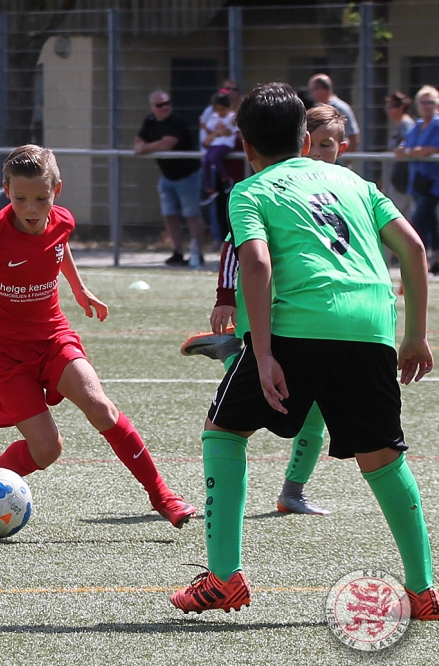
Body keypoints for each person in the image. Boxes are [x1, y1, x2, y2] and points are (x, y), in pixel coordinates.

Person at [170, 83, 439, 621]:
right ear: (306, 138)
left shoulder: (250, 190)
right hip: (371, 327)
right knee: (383, 457)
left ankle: (224, 578)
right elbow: (413, 247)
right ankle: (424, 590)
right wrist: (415, 335)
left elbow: (257, 264)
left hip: (298, 326)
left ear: (245, 144)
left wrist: (263, 353)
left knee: (224, 431)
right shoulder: (356, 182)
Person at [0, 144, 196, 529]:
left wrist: (79, 288)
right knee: (47, 449)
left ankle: (163, 496)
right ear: (7, 190)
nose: (31, 209)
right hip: (6, 354)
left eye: (41, 198)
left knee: (100, 408)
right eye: (20, 198)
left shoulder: (62, 220)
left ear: (57, 189)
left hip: (54, 337)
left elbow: (58, 246)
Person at [180, 105, 350, 517]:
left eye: (329, 145)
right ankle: (231, 352)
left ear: (342, 149)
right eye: (316, 144)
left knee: (315, 413)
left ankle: (293, 491)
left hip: (314, 317)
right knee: (265, 400)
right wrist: (224, 295)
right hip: (271, 312)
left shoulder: (343, 190)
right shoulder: (268, 188)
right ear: (301, 143)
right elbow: (234, 245)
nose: (321, 152)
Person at [134, 91, 206, 267]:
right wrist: (145, 146)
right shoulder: (149, 121)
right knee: (170, 215)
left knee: (192, 215)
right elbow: (138, 142)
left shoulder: (177, 121)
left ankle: (197, 254)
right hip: (167, 177)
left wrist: (146, 148)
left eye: (167, 103)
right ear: (152, 108)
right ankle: (177, 252)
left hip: (187, 176)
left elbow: (167, 144)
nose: (165, 107)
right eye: (160, 105)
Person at [395, 86, 439, 274]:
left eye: (431, 102)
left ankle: (422, 261)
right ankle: (433, 259)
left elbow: (430, 149)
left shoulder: (437, 124)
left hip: (434, 181)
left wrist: (413, 151)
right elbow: (404, 146)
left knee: (418, 220)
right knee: (430, 222)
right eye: (423, 102)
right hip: (418, 182)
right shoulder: (417, 125)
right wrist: (409, 150)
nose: (427, 106)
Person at [200, 92, 238, 205]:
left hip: (226, 144)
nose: (220, 112)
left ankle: (226, 178)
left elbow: (229, 132)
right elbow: (211, 132)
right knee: (206, 161)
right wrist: (205, 127)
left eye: (222, 110)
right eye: (218, 110)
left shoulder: (231, 117)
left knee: (214, 157)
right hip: (215, 143)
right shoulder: (214, 117)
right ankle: (209, 189)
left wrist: (221, 130)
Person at [308, 73, 360, 150]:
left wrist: (343, 156)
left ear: (322, 89)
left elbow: (353, 138)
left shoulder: (340, 108)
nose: (311, 94)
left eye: (312, 90)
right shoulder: (315, 107)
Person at [385, 91, 416, 218]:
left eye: (390, 107)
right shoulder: (399, 125)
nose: (387, 111)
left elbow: (408, 144)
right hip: (398, 177)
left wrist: (401, 149)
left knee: (395, 215)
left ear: (401, 107)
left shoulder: (406, 123)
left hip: (404, 177)